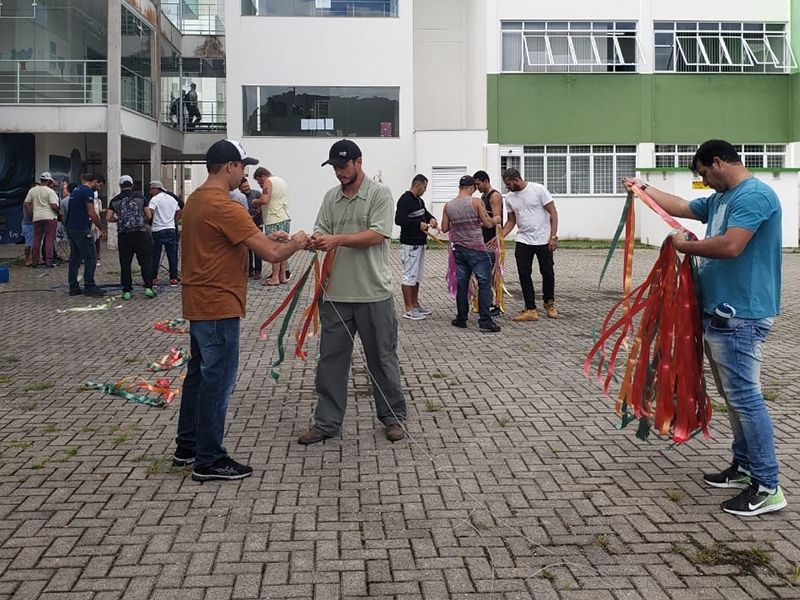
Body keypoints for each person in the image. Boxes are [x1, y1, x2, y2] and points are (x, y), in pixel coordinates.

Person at [622, 139, 786, 516]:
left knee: (746, 399)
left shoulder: (754, 196)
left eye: (703, 174)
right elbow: (680, 206)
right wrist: (642, 188)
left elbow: (731, 246)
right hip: (720, 314)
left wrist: (684, 247)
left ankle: (768, 485)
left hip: (741, 315)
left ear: (718, 162)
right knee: (735, 399)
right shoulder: (720, 199)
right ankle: (744, 467)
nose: (704, 182)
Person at [175, 139, 308, 481]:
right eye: (242, 166)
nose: (245, 173)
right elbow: (273, 256)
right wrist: (298, 241)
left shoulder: (195, 201)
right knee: (218, 382)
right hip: (219, 305)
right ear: (230, 166)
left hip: (198, 302)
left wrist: (271, 240)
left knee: (198, 376)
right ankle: (209, 459)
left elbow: (233, 242)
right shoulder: (225, 205)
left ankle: (187, 446)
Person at [297, 139, 406, 445]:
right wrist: (305, 240)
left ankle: (393, 418)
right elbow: (321, 232)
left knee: (382, 359)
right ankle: (326, 423)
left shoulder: (379, 193)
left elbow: (377, 234)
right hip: (336, 295)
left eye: (343, 166)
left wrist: (337, 239)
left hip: (373, 294)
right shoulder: (331, 197)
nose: (339, 173)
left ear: (359, 162)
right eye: (334, 167)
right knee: (330, 361)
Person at [441, 175, 501, 333]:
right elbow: (488, 223)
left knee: (462, 284)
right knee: (484, 283)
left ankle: (461, 318)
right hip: (477, 249)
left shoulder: (448, 206)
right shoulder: (476, 202)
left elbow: (445, 227)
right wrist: (496, 219)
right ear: (471, 187)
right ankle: (485, 320)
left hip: (459, 250)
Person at [501, 168, 559, 322]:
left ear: (516, 179)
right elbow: (511, 220)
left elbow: (553, 212)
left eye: (508, 184)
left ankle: (549, 303)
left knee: (547, 272)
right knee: (524, 274)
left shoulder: (538, 189)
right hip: (523, 240)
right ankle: (530, 309)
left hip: (543, 240)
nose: (507, 187)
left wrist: (553, 237)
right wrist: (500, 237)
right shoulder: (509, 198)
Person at [394, 174, 437, 320]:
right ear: (418, 185)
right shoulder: (405, 200)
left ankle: (415, 304)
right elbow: (399, 219)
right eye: (424, 187)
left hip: (420, 243)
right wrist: (418, 224)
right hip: (409, 244)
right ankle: (409, 308)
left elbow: (424, 213)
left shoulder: (419, 201)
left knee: (417, 276)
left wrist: (431, 219)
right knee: (409, 276)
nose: (425, 190)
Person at [107, 175, 156, 300]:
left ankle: (127, 291)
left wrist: (118, 220)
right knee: (145, 262)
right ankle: (149, 288)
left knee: (125, 263)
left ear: (120, 186)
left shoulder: (115, 200)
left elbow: (108, 217)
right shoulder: (140, 197)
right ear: (132, 185)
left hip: (124, 235)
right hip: (141, 234)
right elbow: (149, 215)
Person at [65, 173, 106, 296]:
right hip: (81, 229)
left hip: (71, 228)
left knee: (75, 258)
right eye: (99, 185)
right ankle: (89, 286)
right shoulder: (87, 191)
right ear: (94, 181)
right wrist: (101, 227)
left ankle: (73, 286)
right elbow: (92, 212)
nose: (99, 188)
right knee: (91, 257)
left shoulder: (76, 190)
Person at [253, 166, 291, 286]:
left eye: (259, 181)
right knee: (284, 248)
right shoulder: (282, 181)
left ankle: (275, 277)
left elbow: (264, 199)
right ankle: (283, 276)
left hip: (274, 219)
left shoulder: (268, 182)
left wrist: (255, 202)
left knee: (275, 248)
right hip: (285, 217)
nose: (260, 184)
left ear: (263, 176)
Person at [474, 170, 504, 316]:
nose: (477, 187)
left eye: (478, 184)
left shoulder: (495, 196)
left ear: (485, 181)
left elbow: (497, 218)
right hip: (483, 242)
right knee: (483, 274)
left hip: (492, 242)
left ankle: (494, 306)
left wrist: (488, 224)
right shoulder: (482, 196)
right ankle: (486, 303)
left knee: (491, 275)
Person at [148, 181, 181, 286]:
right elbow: (179, 211)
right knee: (172, 255)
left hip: (157, 230)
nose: (150, 192)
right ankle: (173, 278)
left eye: (151, 190)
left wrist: (150, 220)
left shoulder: (155, 199)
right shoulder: (171, 199)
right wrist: (173, 220)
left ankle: (153, 278)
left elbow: (150, 211)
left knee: (155, 255)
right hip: (170, 229)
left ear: (156, 189)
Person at [24, 172, 59, 268]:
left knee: (36, 239)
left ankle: (34, 261)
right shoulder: (50, 191)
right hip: (49, 217)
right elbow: (53, 205)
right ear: (49, 181)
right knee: (49, 239)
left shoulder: (32, 190)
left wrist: (32, 213)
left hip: (37, 217)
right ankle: (48, 261)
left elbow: (26, 203)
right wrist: (58, 212)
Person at [238, 178, 263, 279]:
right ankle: (249, 270)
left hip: (257, 224)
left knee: (258, 249)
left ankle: (258, 271)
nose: (247, 188)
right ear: (240, 188)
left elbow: (262, 207)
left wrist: (257, 213)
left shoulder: (257, 194)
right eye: (244, 187)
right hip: (246, 226)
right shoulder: (240, 197)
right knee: (247, 250)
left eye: (247, 186)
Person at [92, 175, 105, 265]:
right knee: (92, 239)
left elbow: (98, 210)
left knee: (97, 239)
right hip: (92, 221)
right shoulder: (89, 194)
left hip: (96, 220)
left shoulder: (98, 200)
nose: (100, 188)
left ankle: (97, 255)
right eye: (100, 186)